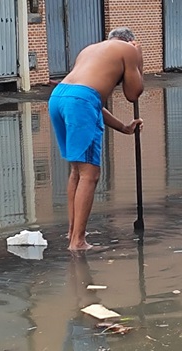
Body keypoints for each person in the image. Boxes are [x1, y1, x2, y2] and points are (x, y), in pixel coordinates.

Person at [49, 27, 144, 251]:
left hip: (60, 97)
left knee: (77, 171)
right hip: (80, 102)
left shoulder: (91, 50)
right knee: (90, 174)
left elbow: (90, 99)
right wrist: (139, 61)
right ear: (131, 41)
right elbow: (134, 93)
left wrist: (123, 127)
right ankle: (78, 242)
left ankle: (72, 233)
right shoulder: (128, 50)